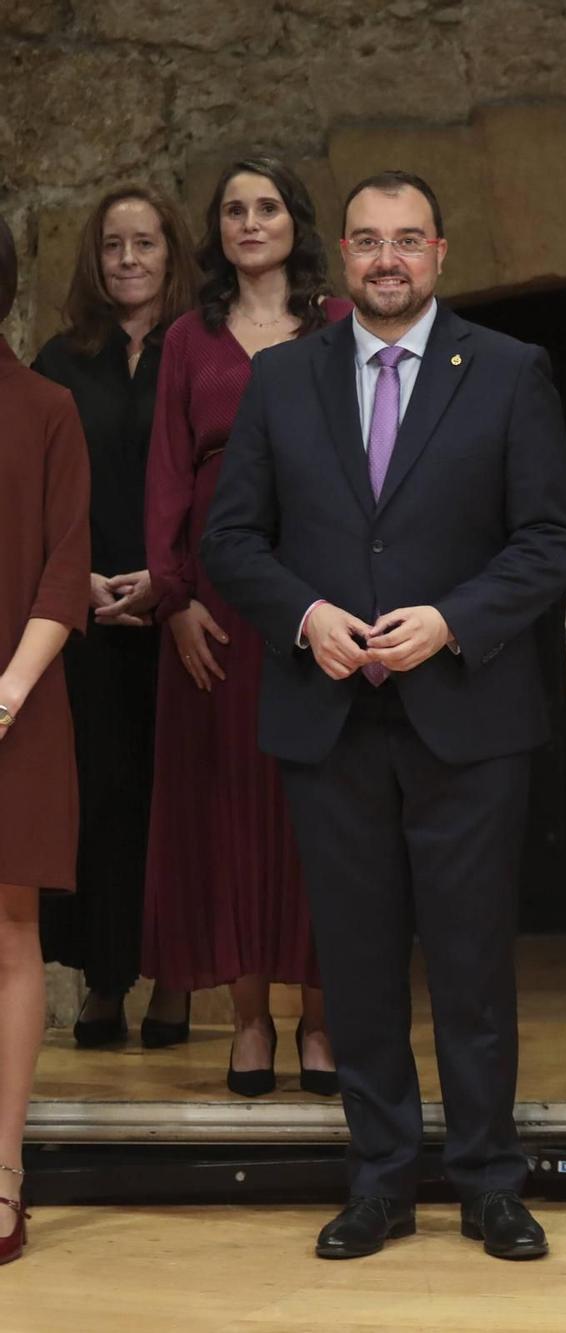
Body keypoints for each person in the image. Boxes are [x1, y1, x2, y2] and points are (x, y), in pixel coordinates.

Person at [202, 170, 566, 1261]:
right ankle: (376, 1179)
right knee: (358, 965)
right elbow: (232, 541)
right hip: (329, 715)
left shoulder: (508, 372)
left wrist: (456, 621)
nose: (386, 260)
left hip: (465, 710)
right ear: (344, 249)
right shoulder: (282, 381)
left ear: (440, 252)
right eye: (367, 241)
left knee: (471, 964)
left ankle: (486, 1179)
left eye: (407, 241)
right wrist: (306, 615)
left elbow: (553, 539)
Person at [143, 158, 348, 1094]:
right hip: (218, 599)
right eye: (233, 209)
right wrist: (174, 596)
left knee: (321, 802)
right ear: (216, 229)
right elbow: (168, 473)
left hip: (319, 587)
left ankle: (320, 1019)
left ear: (295, 222)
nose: (249, 222)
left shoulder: (339, 325)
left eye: (266, 207)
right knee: (231, 804)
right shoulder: (190, 337)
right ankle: (251, 1019)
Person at [33, 185, 196, 1049]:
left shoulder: (202, 348)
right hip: (88, 615)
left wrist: (173, 580)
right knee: (102, 792)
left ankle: (175, 979)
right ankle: (104, 979)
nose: (128, 260)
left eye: (145, 243)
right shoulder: (62, 360)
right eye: (112, 247)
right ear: (94, 262)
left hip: (182, 615)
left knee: (177, 796)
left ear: (173, 252)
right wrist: (81, 580)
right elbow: (40, 489)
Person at [0, 214, 93, 1264]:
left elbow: (65, 571)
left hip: (15, 707)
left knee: (6, 930)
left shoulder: (48, 408)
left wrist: (5, 696)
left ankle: (4, 1171)